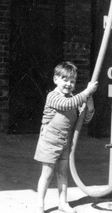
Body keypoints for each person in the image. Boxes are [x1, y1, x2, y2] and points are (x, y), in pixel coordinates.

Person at [34, 61, 98, 213]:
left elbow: (86, 119)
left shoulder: (76, 99)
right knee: (47, 174)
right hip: (50, 140)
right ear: (56, 79)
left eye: (72, 81)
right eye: (65, 80)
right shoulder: (53, 96)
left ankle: (63, 203)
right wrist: (86, 92)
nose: (69, 84)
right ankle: (39, 205)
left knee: (63, 172)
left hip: (65, 141)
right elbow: (67, 104)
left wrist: (89, 104)